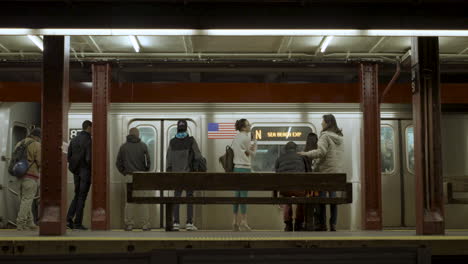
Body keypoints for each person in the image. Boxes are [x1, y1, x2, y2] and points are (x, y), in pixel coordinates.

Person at [299, 114, 344, 232]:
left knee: (322, 198)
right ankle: (333, 224)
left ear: (327, 123)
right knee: (333, 197)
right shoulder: (339, 137)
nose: (321, 123)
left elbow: (321, 152)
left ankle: (322, 224)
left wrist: (306, 154)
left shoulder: (325, 136)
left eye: (322, 121)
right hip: (336, 172)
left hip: (325, 172)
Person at [166, 120, 202, 231]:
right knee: (189, 198)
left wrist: (170, 172)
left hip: (176, 176)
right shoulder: (191, 141)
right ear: (186, 128)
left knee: (177, 198)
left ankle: (176, 223)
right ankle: (189, 223)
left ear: (177, 128)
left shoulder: (172, 142)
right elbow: (198, 156)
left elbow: (168, 160)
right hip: (189, 175)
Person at [116, 127, 151, 231]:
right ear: (138, 135)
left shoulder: (123, 147)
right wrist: (145, 171)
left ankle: (129, 224)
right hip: (141, 176)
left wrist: (124, 172)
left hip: (128, 176)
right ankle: (145, 224)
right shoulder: (143, 146)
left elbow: (118, 163)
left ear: (129, 134)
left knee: (129, 201)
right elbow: (148, 163)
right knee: (143, 201)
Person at [275, 141, 311, 232]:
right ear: (296, 149)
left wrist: (276, 192)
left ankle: (288, 224)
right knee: (301, 199)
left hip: (285, 189)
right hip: (299, 189)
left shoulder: (280, 158)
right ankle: (299, 224)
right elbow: (308, 173)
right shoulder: (302, 157)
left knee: (286, 199)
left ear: (285, 150)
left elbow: (276, 175)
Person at [66, 120, 92, 230]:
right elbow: (88, 158)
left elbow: (69, 157)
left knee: (77, 195)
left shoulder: (74, 139)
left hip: (75, 171)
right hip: (85, 171)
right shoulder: (88, 140)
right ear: (89, 127)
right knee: (82, 197)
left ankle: (68, 219)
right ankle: (78, 223)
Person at [231, 118, 256, 231]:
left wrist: (247, 151)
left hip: (236, 169)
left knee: (237, 196)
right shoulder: (246, 137)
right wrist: (255, 141)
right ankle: (244, 221)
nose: (250, 126)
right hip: (245, 169)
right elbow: (253, 154)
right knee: (244, 197)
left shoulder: (236, 137)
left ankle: (234, 221)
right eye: (248, 125)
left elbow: (242, 151)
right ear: (243, 127)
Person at [15, 128, 41, 231]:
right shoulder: (36, 145)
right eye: (39, 138)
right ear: (36, 136)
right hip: (30, 176)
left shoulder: (19, 143)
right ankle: (20, 223)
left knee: (25, 200)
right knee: (27, 200)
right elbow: (39, 161)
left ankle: (30, 223)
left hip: (19, 174)